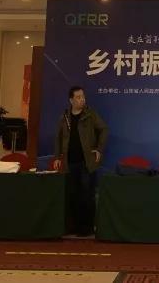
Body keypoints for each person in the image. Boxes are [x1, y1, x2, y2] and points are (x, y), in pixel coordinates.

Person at [53, 85, 109, 237]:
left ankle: (87, 228)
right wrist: (57, 157)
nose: (82, 99)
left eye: (83, 96)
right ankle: (72, 227)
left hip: (86, 162)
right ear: (71, 100)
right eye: (78, 97)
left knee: (87, 195)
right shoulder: (65, 117)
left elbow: (104, 129)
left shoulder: (90, 114)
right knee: (72, 194)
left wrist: (99, 149)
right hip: (69, 162)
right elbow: (58, 138)